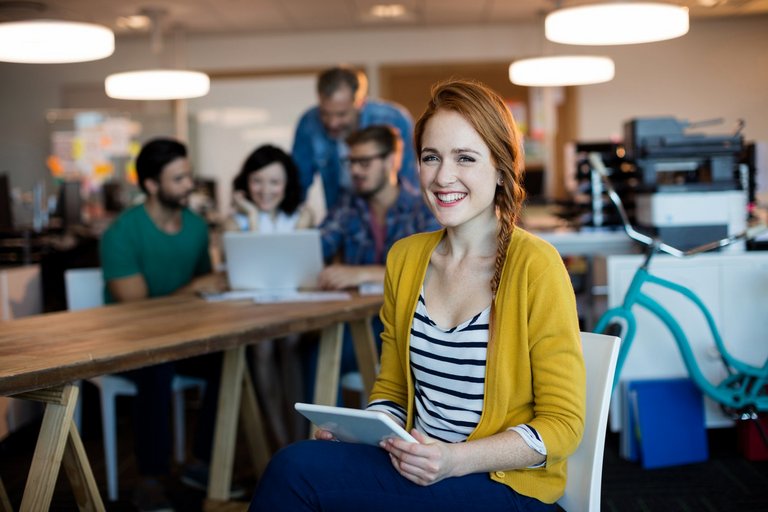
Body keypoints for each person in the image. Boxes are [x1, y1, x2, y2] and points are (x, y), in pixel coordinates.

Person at [249, 79, 586, 512]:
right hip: (420, 469)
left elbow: (563, 426)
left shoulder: (535, 266)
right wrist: (367, 430)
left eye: (465, 158)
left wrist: (454, 460)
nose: (444, 177)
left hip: (503, 487)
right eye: (431, 158)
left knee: (295, 472)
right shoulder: (406, 259)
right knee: (299, 463)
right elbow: (391, 388)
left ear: (501, 168)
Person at [100, 138, 231, 512]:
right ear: (152, 185)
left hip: (183, 339)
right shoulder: (122, 233)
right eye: (179, 178)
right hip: (129, 341)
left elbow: (210, 291)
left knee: (231, 360)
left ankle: (203, 464)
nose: (190, 184)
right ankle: (149, 479)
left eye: (188, 175)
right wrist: (194, 288)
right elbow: (137, 309)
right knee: (157, 367)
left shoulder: (195, 227)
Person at [313, 124, 439, 384]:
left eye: (364, 162)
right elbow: (317, 248)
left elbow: (433, 269)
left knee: (321, 356)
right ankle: (326, 426)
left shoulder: (423, 209)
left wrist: (361, 273)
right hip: (354, 319)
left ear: (391, 160)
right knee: (311, 353)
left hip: (409, 326)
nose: (355, 170)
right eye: (351, 162)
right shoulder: (348, 205)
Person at [223, 144, 312, 446]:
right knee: (261, 348)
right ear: (245, 183)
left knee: (289, 342)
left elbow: (303, 275)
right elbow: (249, 276)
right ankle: (278, 440)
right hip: (251, 311)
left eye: (274, 182)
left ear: (287, 185)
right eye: (257, 181)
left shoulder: (302, 216)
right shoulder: (236, 221)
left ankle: (299, 441)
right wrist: (251, 213)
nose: (265, 190)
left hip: (293, 309)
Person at [293, 65, 418, 212]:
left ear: (360, 103)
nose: (333, 123)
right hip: (341, 214)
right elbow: (298, 184)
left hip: (392, 214)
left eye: (341, 114)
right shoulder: (309, 123)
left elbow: (409, 181)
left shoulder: (393, 119)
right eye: (325, 113)